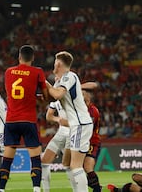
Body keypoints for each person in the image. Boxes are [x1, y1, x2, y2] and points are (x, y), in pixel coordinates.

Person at [0, 45, 49, 192]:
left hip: (11, 120)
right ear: (32, 58)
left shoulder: (8, 72)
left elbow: (11, 92)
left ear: (19, 57)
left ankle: (1, 189)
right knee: (35, 158)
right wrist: (38, 97)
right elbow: (45, 97)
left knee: (7, 159)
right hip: (28, 120)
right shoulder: (38, 72)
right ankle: (36, 189)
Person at [46, 51, 93, 192]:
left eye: (55, 62)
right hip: (77, 125)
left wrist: (45, 83)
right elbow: (53, 97)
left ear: (59, 63)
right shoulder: (60, 80)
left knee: (76, 165)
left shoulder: (70, 76)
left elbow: (58, 94)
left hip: (80, 124)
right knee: (70, 164)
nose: (53, 65)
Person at [41, 100, 70, 192]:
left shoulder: (73, 97)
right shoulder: (55, 101)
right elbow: (48, 116)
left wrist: (70, 123)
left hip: (73, 133)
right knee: (44, 161)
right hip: (61, 133)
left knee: (71, 165)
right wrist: (58, 119)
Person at [82, 88, 102, 192]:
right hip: (82, 142)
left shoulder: (93, 111)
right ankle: (96, 187)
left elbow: (87, 129)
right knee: (78, 169)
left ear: (89, 100)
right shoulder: (80, 109)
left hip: (92, 142)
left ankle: (97, 189)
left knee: (88, 167)